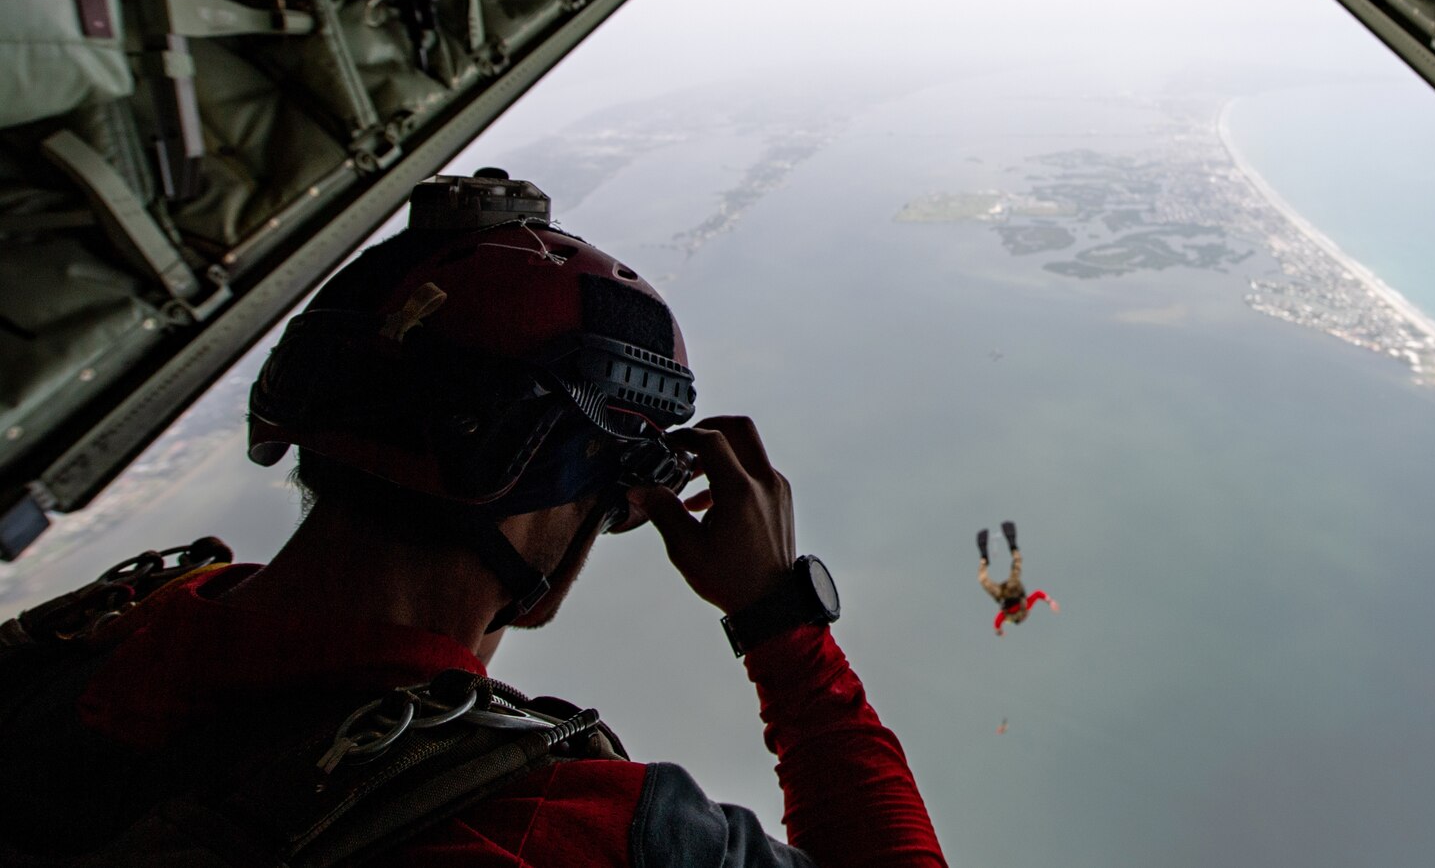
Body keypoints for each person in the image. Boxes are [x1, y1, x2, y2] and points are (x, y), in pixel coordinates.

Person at [0, 172, 946, 868]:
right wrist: (781, 621)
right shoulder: (543, 831)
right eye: (619, 498)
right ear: (541, 478)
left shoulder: (110, 629)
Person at [977, 520, 1057, 636]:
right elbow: (1038, 594)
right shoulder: (1026, 606)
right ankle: (1013, 546)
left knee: (983, 581)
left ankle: (984, 559)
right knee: (1016, 568)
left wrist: (999, 631)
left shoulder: (1006, 616)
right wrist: (1050, 601)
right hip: (1014, 591)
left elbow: (997, 622)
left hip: (1002, 595)